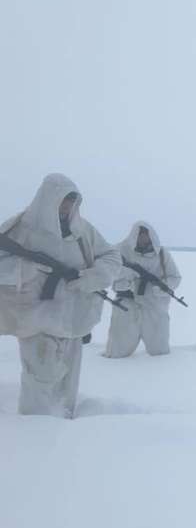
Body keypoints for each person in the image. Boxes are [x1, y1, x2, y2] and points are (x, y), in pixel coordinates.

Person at [0, 174, 121, 418]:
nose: (67, 206)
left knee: (67, 380)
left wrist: (90, 277)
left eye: (72, 201)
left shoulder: (83, 230)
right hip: (36, 319)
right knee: (40, 378)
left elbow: (111, 256)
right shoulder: (22, 228)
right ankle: (37, 428)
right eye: (64, 200)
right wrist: (32, 270)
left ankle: (62, 422)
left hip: (73, 318)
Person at [104, 222, 181, 358]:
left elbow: (175, 277)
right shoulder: (121, 250)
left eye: (146, 235)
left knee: (160, 352)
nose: (143, 238)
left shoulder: (162, 254)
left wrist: (160, 288)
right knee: (117, 351)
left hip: (154, 305)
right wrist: (129, 278)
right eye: (140, 235)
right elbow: (109, 272)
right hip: (126, 304)